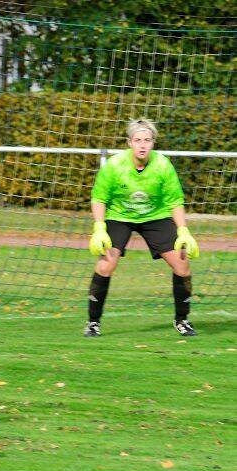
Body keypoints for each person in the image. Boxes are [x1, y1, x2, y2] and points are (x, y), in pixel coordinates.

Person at [84, 118, 199, 337]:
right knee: (106, 265)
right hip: (119, 216)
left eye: (147, 140)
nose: (143, 145)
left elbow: (175, 200)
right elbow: (99, 198)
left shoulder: (163, 165)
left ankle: (182, 320)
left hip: (156, 216)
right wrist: (99, 228)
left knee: (182, 264)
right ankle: (93, 323)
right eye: (138, 140)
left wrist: (183, 231)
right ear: (129, 142)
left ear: (153, 143)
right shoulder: (115, 165)